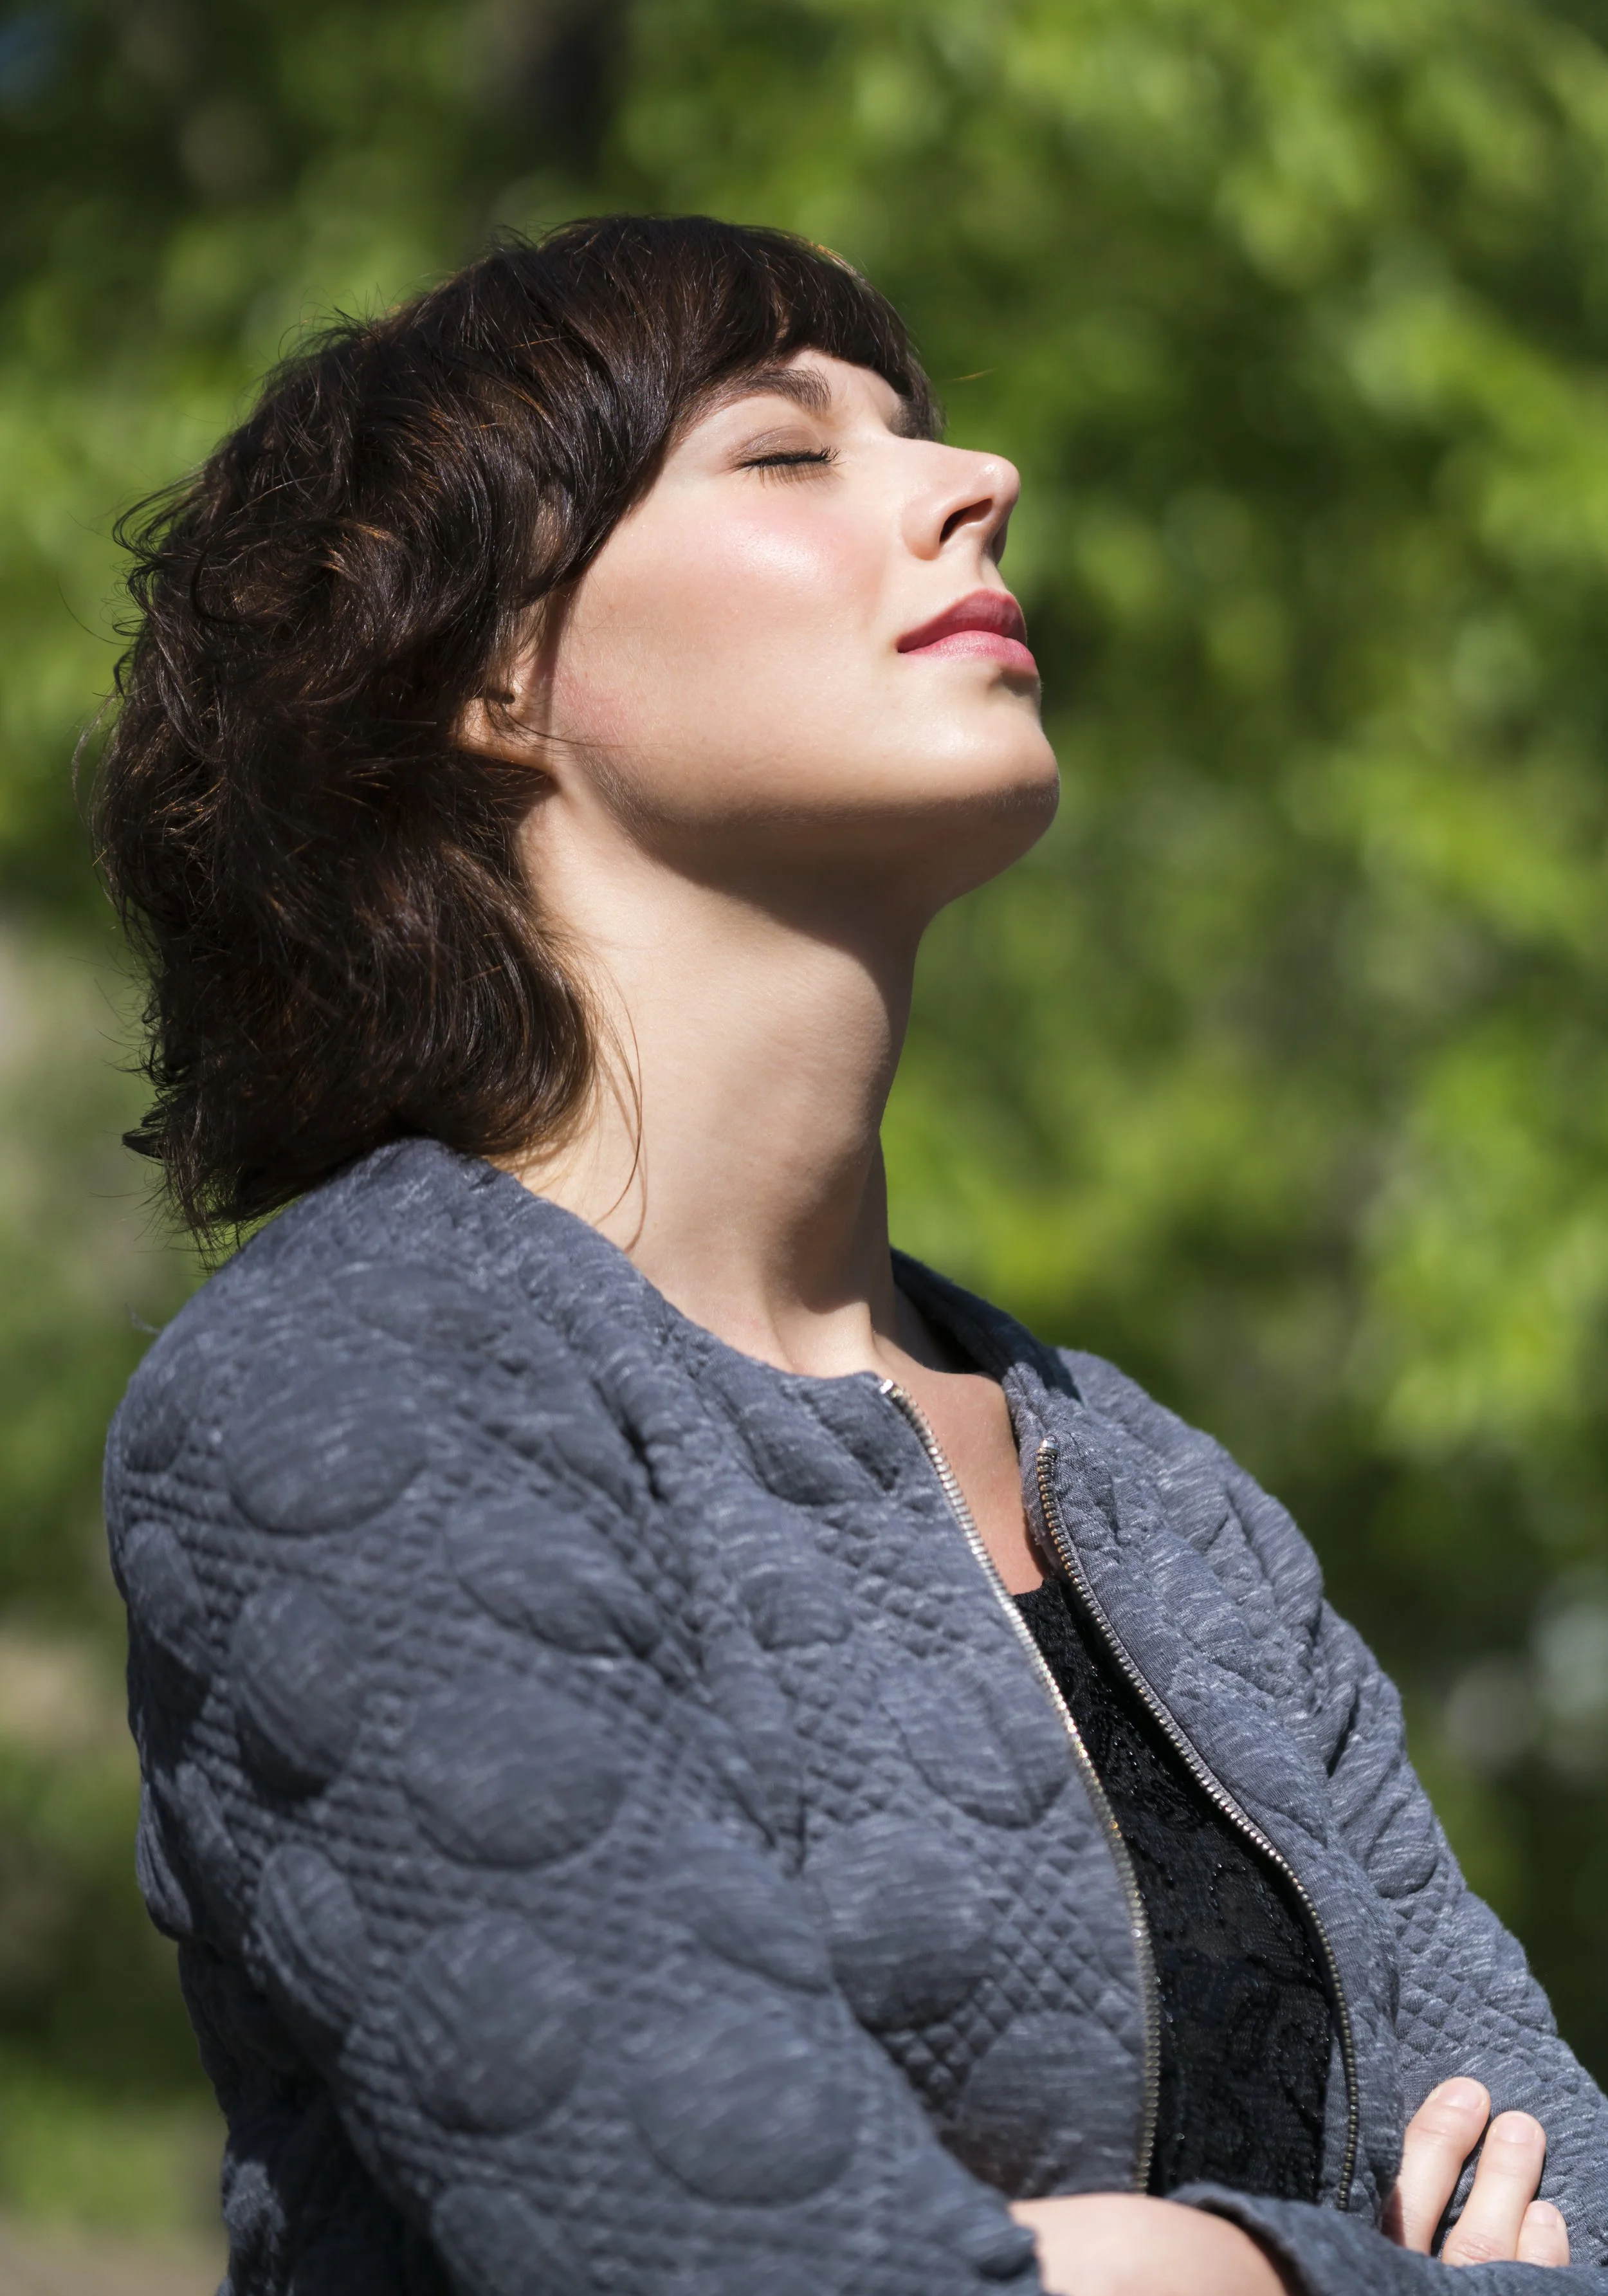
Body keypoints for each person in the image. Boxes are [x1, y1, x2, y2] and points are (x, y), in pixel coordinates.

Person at [94, 215, 1605, 2296]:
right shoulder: (352, 1398)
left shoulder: (1154, 1494)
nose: (974, 481)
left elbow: (1575, 2200)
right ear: (487, 673)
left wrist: (1161, 2268)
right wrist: (1326, 2271)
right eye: (785, 452)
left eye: (918, 431)